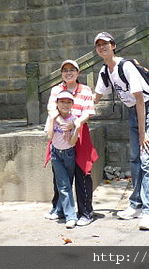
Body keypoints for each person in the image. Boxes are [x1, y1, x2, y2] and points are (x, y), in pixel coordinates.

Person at [92, 32, 149, 230]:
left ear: (113, 45)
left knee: (148, 158)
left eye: (105, 44)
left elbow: (140, 100)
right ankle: (137, 204)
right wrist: (73, 115)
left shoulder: (126, 66)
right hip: (133, 111)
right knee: (135, 159)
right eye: (98, 45)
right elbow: (95, 98)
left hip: (147, 110)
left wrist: (142, 132)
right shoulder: (105, 71)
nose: (102, 47)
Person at [43, 59, 98, 226]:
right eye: (65, 70)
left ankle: (86, 212)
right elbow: (51, 109)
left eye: (72, 70)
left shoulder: (86, 90)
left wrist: (74, 124)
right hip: (60, 132)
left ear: (78, 72)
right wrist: (62, 123)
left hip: (79, 131)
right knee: (60, 176)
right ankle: (59, 209)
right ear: (61, 73)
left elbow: (88, 111)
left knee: (82, 172)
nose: (68, 73)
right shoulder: (56, 89)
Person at [44, 90, 81, 229]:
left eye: (68, 102)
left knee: (66, 184)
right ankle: (70, 216)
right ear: (57, 104)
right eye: (62, 102)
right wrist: (53, 119)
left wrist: (76, 128)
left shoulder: (74, 119)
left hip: (69, 154)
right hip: (56, 154)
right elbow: (49, 137)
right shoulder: (52, 118)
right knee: (63, 185)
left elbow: (72, 143)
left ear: (72, 104)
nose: (65, 104)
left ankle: (61, 211)